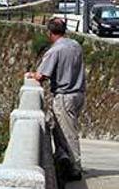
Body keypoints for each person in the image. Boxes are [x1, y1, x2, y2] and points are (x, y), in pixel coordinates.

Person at [27, 18, 86, 180]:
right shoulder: (75, 45)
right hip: (78, 93)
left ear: (50, 33)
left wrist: (31, 74)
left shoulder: (55, 50)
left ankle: (75, 168)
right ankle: (63, 161)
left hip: (64, 96)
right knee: (59, 129)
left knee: (68, 133)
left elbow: (41, 75)